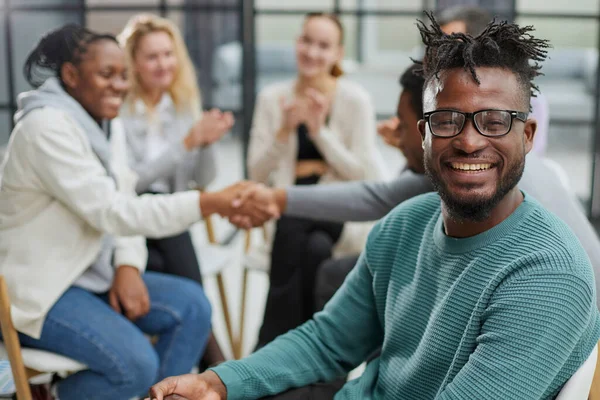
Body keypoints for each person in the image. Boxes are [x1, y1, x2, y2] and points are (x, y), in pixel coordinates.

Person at [148, 14, 600, 400]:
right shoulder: (405, 223)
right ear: (420, 134)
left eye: (495, 120)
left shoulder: (548, 275)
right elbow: (328, 342)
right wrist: (217, 382)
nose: (468, 140)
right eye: (446, 121)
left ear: (527, 136)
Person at [0, 25, 273, 400]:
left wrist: (128, 264)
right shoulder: (46, 128)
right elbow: (115, 211)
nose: (119, 86)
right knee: (135, 363)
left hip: (90, 275)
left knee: (193, 306)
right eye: (106, 75)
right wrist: (211, 202)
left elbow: (123, 189)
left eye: (123, 75)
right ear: (71, 76)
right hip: (43, 291)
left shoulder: (104, 124)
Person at [248, 12, 385, 348]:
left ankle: (268, 347)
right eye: (306, 41)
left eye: (323, 46)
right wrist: (283, 130)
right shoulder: (272, 98)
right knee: (315, 250)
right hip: (291, 221)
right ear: (297, 43)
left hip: (337, 213)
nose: (312, 52)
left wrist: (318, 131)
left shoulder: (355, 100)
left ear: (337, 53)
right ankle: (312, 354)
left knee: (295, 214)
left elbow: (364, 175)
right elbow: (256, 172)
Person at [117, 13, 232, 371]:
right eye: (152, 56)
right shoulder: (119, 111)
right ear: (133, 63)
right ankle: (216, 362)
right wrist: (187, 142)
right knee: (162, 208)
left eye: (168, 54)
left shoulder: (182, 106)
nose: (163, 64)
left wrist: (207, 142)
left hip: (167, 234)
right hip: (129, 223)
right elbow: (131, 183)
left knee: (170, 249)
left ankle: (204, 364)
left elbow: (204, 178)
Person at [436, 5, 550, 155]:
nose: (439, 55)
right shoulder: (430, 92)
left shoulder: (524, 97)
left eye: (451, 47)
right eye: (436, 46)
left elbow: (528, 160)